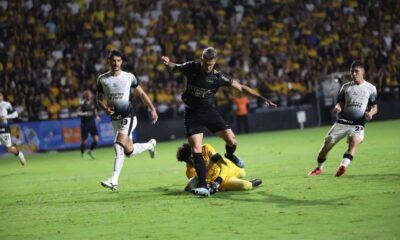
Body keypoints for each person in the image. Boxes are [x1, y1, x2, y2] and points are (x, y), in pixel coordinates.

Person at [161, 47, 277, 197]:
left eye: (210, 64)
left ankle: (230, 155)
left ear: (214, 62)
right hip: (192, 113)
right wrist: (168, 63)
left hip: (209, 112)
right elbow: (175, 68)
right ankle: (203, 186)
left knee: (232, 141)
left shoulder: (219, 77)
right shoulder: (191, 67)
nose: (207, 66)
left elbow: (240, 87)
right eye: (205, 63)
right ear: (201, 59)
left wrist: (262, 99)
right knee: (196, 147)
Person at [97, 50, 158, 191]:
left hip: (128, 116)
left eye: (118, 60)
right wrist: (105, 108)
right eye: (113, 60)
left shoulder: (129, 77)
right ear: (109, 61)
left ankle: (114, 181)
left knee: (118, 146)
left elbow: (141, 93)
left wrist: (152, 109)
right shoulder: (102, 79)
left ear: (121, 62)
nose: (116, 63)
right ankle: (150, 145)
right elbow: (99, 99)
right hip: (115, 119)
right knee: (129, 152)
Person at [308, 61, 378, 177]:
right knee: (326, 146)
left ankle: (343, 166)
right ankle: (319, 168)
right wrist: (337, 107)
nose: (354, 74)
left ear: (363, 72)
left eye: (356, 72)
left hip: (358, 123)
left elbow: (375, 107)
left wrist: (371, 113)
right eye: (352, 72)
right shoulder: (345, 87)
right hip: (343, 122)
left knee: (353, 143)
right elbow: (340, 103)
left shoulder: (371, 88)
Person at [176, 143, 262, 193]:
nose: (194, 159)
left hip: (228, 166)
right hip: (224, 181)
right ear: (186, 161)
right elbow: (206, 184)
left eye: (193, 156)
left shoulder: (205, 148)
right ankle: (251, 182)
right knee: (245, 186)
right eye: (190, 159)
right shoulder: (190, 172)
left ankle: (231, 156)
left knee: (243, 173)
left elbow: (223, 166)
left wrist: (217, 181)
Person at [0, 92, 27, 166]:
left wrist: (6, 117)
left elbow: (15, 114)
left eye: (0, 96)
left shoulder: (6, 104)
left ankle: (20, 154)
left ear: (2, 97)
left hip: (3, 127)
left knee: (8, 149)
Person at [77, 90, 100, 160]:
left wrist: (97, 116)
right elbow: (78, 112)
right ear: (86, 96)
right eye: (89, 94)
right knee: (84, 141)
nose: (91, 95)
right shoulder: (82, 104)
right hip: (85, 124)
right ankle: (82, 154)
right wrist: (84, 114)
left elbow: (95, 110)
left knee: (96, 139)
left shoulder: (92, 103)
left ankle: (90, 151)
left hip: (92, 124)